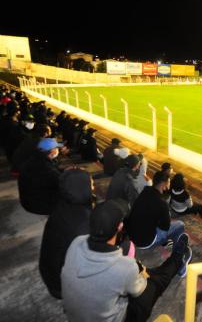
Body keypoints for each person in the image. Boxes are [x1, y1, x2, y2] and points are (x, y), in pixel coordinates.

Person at [61, 200, 192, 322]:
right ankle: (178, 258)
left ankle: (166, 265)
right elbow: (139, 288)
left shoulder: (76, 242)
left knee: (141, 272)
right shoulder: (124, 267)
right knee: (154, 284)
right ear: (120, 226)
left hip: (75, 316)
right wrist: (139, 273)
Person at [39, 168, 95, 299]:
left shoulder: (62, 205)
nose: (93, 187)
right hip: (63, 287)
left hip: (50, 274)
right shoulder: (83, 223)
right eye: (90, 184)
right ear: (81, 188)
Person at [126, 171, 185, 250]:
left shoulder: (145, 191)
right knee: (180, 225)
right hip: (146, 242)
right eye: (168, 182)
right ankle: (177, 252)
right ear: (163, 185)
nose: (169, 184)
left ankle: (165, 243)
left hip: (132, 236)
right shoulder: (162, 203)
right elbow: (165, 227)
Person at [18, 137, 63, 215]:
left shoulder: (34, 158)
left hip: (28, 202)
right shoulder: (46, 168)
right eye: (57, 148)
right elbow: (61, 181)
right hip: (38, 206)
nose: (58, 150)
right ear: (52, 151)